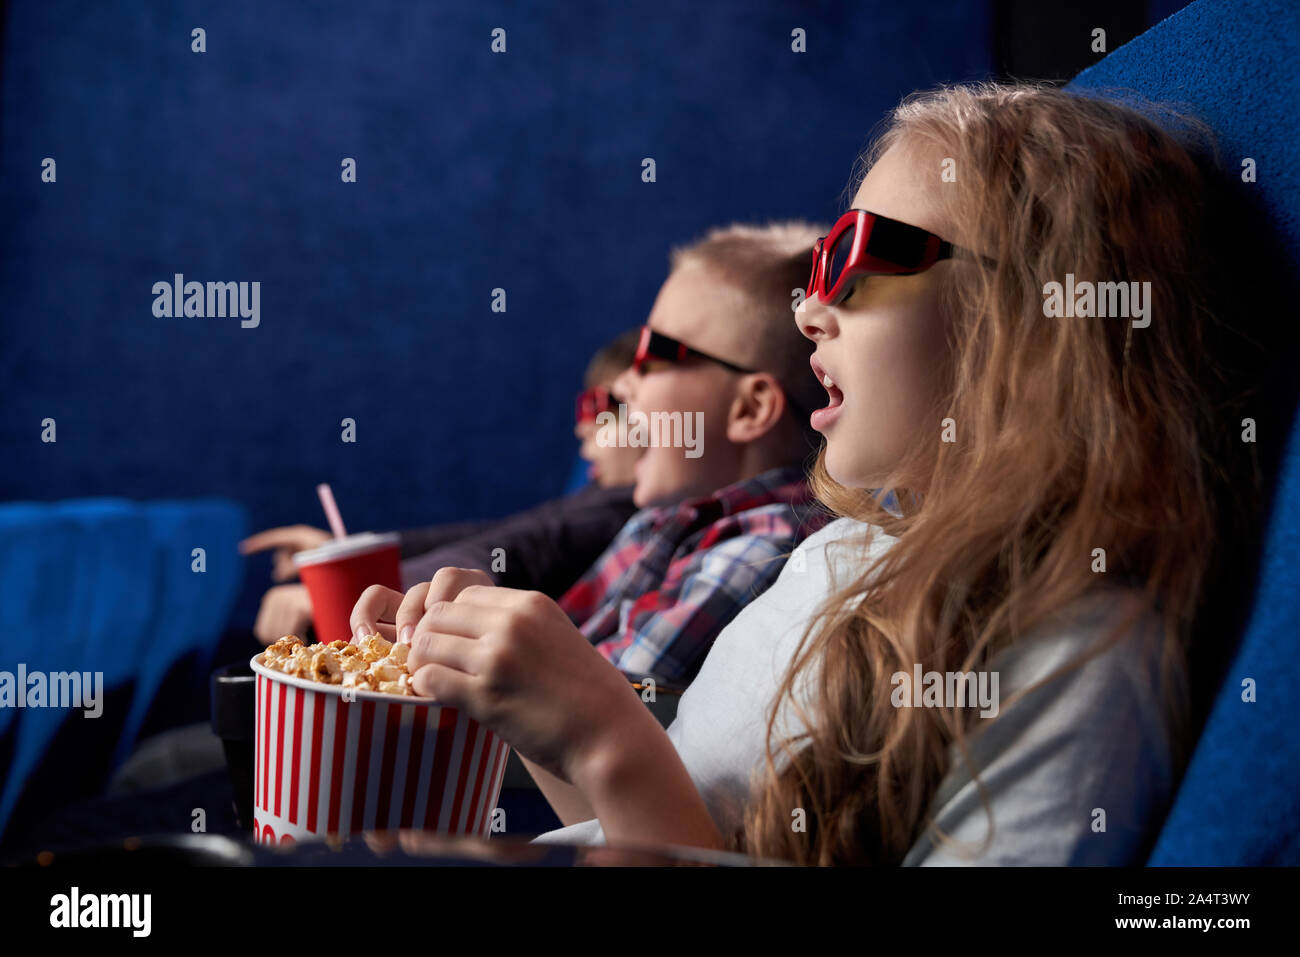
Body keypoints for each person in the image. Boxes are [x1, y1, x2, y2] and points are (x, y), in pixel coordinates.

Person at [358, 83, 1252, 864]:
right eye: (816, 264)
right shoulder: (837, 557)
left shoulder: (1074, 653)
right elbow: (640, 829)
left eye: (856, 259)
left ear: (1029, 328)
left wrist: (604, 735)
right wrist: (538, 714)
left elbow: (646, 805)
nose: (811, 306)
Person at [354, 221, 832, 685]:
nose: (623, 383)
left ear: (749, 408)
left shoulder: (761, 549)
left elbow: (587, 720)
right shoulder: (658, 523)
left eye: (655, 353)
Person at [241, 330, 644, 645]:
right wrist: (351, 553)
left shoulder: (623, 508)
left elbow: (520, 549)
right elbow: (497, 534)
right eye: (584, 406)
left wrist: (352, 587)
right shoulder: (600, 496)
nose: (582, 425)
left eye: (603, 407)